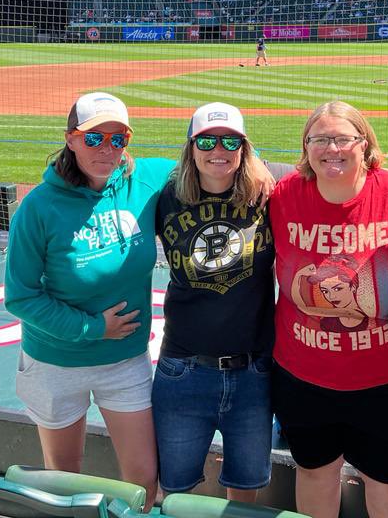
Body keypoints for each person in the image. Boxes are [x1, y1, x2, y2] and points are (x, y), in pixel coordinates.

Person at [4, 92, 174, 509]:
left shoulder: (145, 180)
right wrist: (93, 327)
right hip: (55, 360)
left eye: (118, 139)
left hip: (124, 359)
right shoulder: (38, 208)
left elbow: (216, 158)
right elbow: (21, 297)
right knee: (63, 478)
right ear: (71, 139)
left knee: (143, 479)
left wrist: (258, 164)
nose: (107, 148)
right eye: (94, 137)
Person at [269, 101, 388, 518]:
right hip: (303, 375)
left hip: (386, 378)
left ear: (365, 144)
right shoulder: (285, 195)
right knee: (315, 474)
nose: (331, 149)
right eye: (320, 139)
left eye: (343, 138)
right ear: (305, 147)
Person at [152, 103, 276, 503]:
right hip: (183, 370)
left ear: (244, 148)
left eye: (229, 141)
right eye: (206, 140)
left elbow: (332, 176)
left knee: (245, 489)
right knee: (175, 490)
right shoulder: (165, 195)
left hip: (253, 372)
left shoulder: (268, 193)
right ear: (191, 147)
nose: (217, 149)